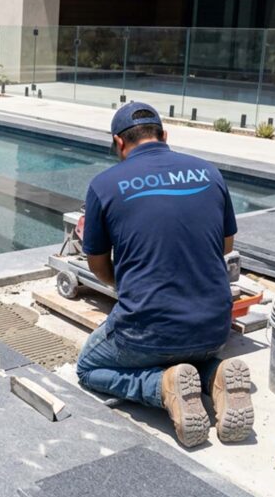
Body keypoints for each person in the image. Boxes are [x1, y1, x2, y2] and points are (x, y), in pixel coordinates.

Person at [75, 102, 253, 448]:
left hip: (146, 333)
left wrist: (128, 286)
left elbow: (97, 267)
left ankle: (161, 388)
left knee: (88, 368)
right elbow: (225, 244)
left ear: (119, 142)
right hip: (214, 328)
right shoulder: (209, 173)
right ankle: (213, 374)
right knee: (188, 350)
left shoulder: (103, 185)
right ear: (164, 136)